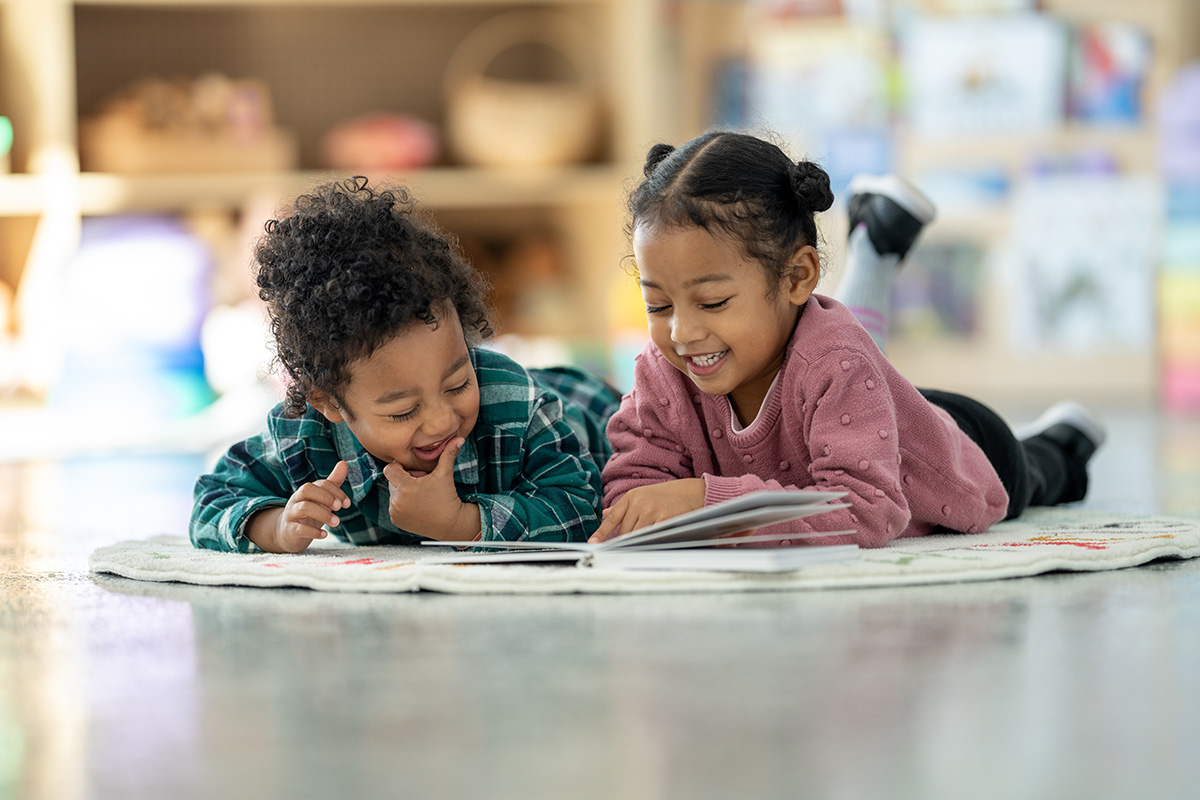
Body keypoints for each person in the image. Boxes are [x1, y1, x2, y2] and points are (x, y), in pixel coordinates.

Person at [592, 131, 1105, 548]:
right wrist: (649, 509)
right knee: (848, 357)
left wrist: (705, 501)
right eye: (657, 305)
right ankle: (874, 244)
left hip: (966, 453)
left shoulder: (834, 362)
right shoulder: (661, 370)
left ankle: (1064, 441)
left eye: (712, 303)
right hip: (869, 415)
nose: (680, 332)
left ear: (797, 277)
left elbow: (865, 512)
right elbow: (633, 487)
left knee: (1038, 473)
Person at [191, 176, 620, 553]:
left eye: (456, 384)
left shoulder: (516, 407)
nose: (439, 421)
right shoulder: (303, 437)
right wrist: (277, 527)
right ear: (330, 403)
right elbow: (212, 500)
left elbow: (580, 511)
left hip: (597, 416)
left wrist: (458, 522)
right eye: (403, 410)